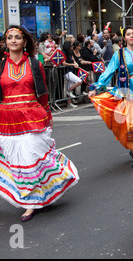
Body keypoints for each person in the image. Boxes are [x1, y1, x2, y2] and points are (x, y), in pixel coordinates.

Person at [0, 25, 79, 221]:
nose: (13, 41)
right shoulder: (1, 64)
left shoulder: (34, 64)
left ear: (24, 41)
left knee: (32, 159)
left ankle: (34, 201)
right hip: (8, 120)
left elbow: (43, 94)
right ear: (6, 41)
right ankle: (33, 200)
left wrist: (47, 116)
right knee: (18, 162)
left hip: (33, 117)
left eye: (17, 37)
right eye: (10, 37)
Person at [88, 25, 133, 168]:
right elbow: (109, 71)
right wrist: (95, 86)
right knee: (128, 125)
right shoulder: (120, 54)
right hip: (125, 92)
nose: (131, 36)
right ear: (125, 37)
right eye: (128, 34)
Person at [61, 41, 83, 108]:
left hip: (71, 70)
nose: (72, 47)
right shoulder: (63, 53)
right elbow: (64, 63)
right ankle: (69, 91)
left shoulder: (70, 53)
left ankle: (69, 103)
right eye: (71, 46)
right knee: (79, 81)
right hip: (66, 71)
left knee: (70, 85)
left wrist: (75, 63)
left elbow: (73, 60)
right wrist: (73, 64)